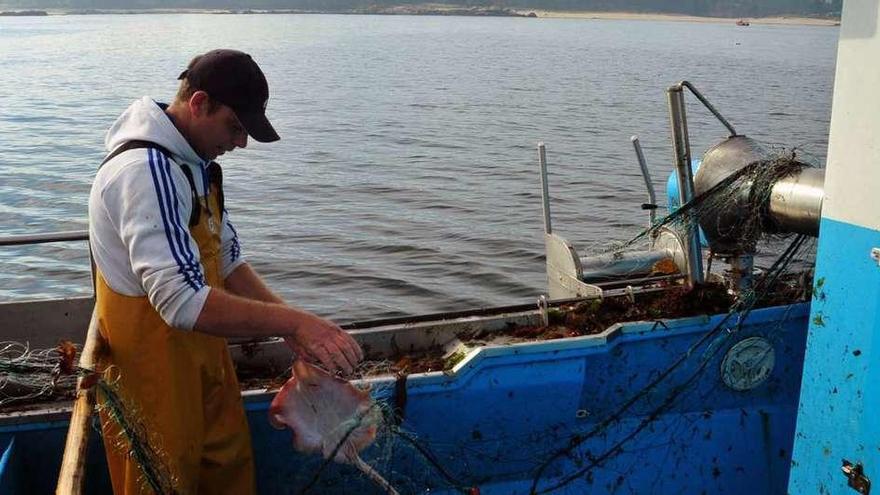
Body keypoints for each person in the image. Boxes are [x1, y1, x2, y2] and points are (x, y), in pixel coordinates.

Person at [88, 49, 363, 494]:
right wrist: (297, 322)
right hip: (153, 378)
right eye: (235, 128)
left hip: (205, 362)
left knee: (229, 469)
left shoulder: (197, 164)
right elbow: (180, 302)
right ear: (199, 104)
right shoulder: (145, 172)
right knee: (162, 481)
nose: (241, 144)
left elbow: (228, 260)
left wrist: (290, 328)